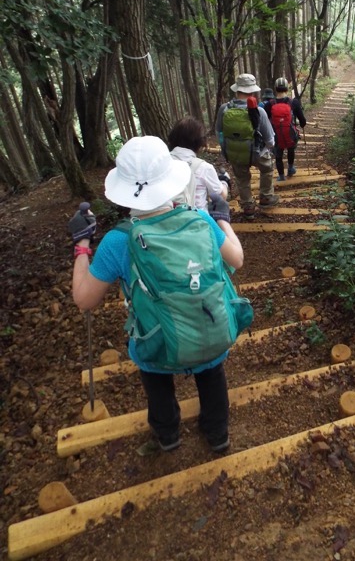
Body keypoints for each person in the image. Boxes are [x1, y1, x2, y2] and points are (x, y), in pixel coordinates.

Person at [68, 136, 243, 453]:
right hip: (210, 330)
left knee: (154, 375)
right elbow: (237, 259)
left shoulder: (118, 241)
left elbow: (84, 300)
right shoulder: (199, 220)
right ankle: (217, 435)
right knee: (211, 372)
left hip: (157, 342)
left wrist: (82, 246)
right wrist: (222, 219)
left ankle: (168, 436)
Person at [215, 73, 279, 218]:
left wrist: (228, 149)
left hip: (236, 153)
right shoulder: (259, 111)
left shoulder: (224, 109)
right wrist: (268, 148)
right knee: (267, 168)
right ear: (253, 91)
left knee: (242, 178)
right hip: (257, 152)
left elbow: (219, 132)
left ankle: (248, 207)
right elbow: (270, 139)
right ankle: (266, 197)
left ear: (236, 90)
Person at [167, 116, 229, 210]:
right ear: (199, 142)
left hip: (167, 221)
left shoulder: (162, 164)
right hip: (198, 221)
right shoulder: (204, 168)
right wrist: (224, 182)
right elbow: (221, 196)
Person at [264, 77, 307, 182]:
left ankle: (281, 176)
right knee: (291, 148)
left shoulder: (270, 104)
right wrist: (301, 124)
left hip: (276, 133)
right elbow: (303, 121)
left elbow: (265, 119)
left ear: (275, 89)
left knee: (278, 153)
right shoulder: (294, 102)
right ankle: (291, 168)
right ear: (287, 89)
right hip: (290, 133)